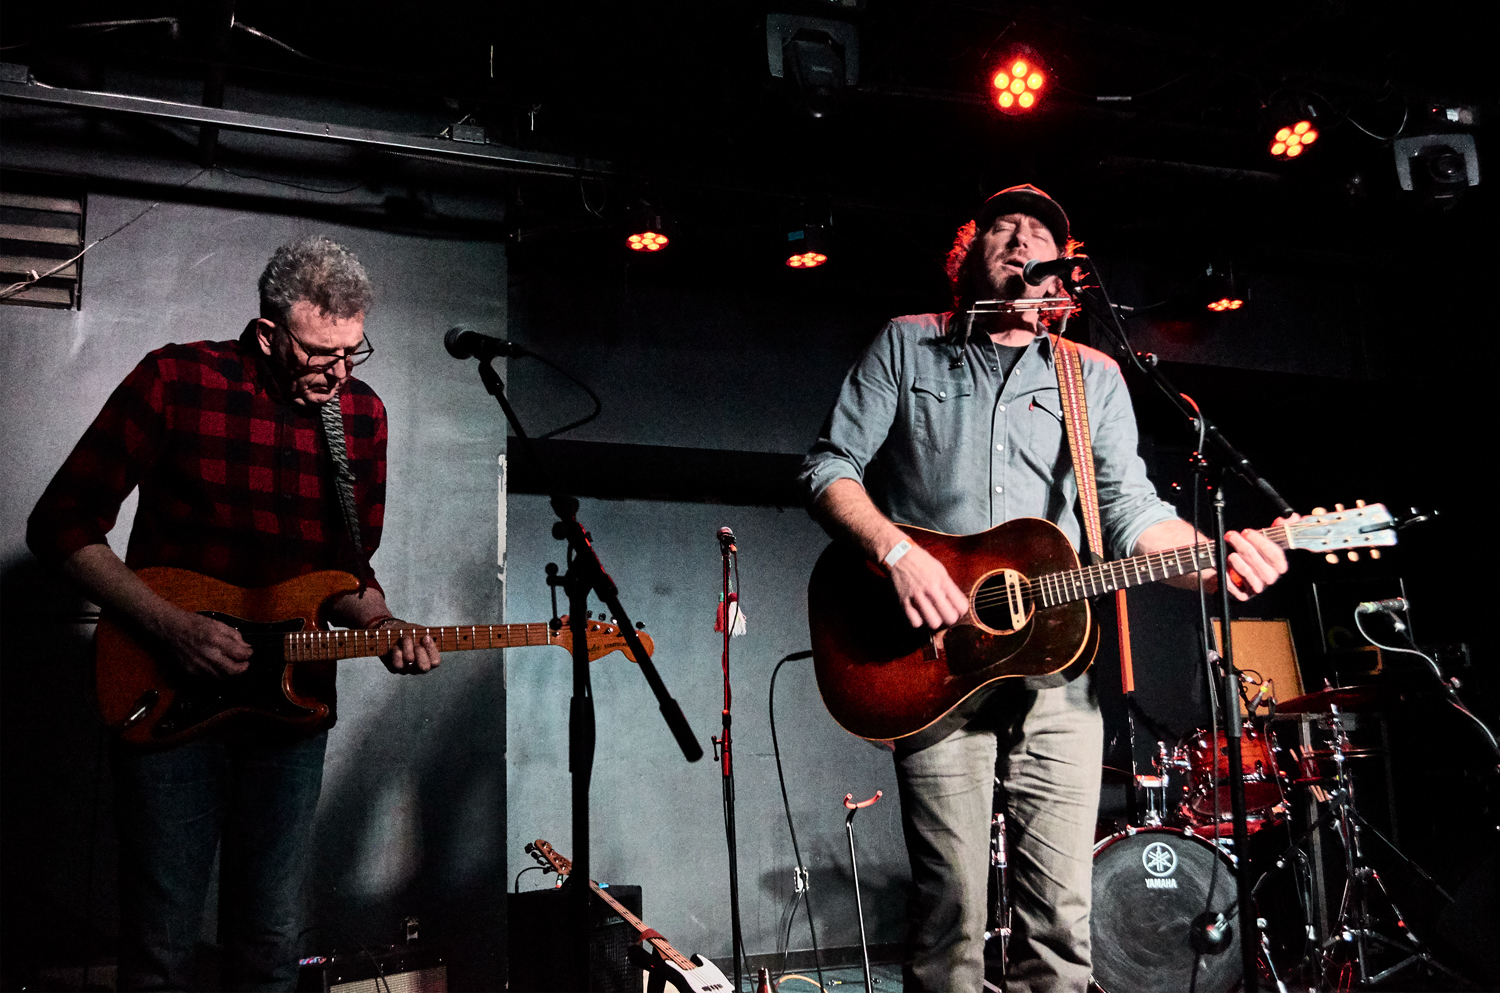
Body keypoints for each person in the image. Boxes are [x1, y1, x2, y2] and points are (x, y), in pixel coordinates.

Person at [799, 185, 1291, 992]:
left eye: (1043, 233)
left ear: (1062, 272)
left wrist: (1213, 559)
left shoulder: (1092, 375)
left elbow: (1132, 513)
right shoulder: (907, 343)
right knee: (949, 912)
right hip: (933, 664)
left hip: (1060, 672)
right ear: (969, 254)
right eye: (1006, 226)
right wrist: (897, 553)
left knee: (1060, 920)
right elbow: (826, 467)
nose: (1025, 238)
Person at [26, 235, 440, 992]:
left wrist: (383, 624)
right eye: (320, 353)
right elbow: (60, 525)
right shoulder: (177, 379)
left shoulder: (361, 416)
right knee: (162, 944)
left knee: (272, 942)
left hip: (292, 710)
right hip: (167, 694)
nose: (340, 372)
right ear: (268, 333)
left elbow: (347, 574)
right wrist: (170, 626)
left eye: (352, 351)